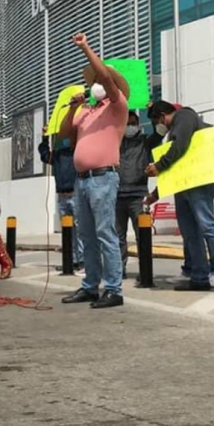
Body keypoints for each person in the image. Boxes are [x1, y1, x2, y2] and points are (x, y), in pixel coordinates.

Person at [145, 101, 214, 295]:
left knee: (207, 225)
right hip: (185, 185)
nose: (159, 126)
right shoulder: (175, 130)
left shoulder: (184, 116)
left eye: (157, 121)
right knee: (190, 231)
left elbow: (181, 146)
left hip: (198, 183)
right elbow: (176, 169)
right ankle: (199, 276)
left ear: (163, 115)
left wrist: (159, 165)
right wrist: (155, 195)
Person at [59, 33, 129, 309]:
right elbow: (65, 133)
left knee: (105, 233)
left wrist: (86, 48)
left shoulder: (117, 105)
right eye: (95, 82)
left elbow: (106, 79)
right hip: (82, 180)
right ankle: (90, 286)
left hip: (103, 178)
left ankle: (113, 289)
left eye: (102, 81)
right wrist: (74, 106)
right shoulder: (86, 112)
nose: (98, 84)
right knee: (87, 235)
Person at [38, 126, 84, 272]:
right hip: (62, 196)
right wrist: (45, 137)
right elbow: (44, 155)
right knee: (68, 231)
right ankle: (70, 260)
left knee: (79, 229)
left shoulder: (77, 153)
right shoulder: (57, 155)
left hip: (75, 195)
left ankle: (81, 260)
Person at [116, 111, 150, 279]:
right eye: (126, 123)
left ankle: (145, 271)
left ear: (138, 125)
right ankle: (119, 270)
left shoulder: (145, 142)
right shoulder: (114, 142)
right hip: (117, 195)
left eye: (133, 123)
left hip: (138, 195)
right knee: (118, 237)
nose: (130, 126)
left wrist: (151, 111)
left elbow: (160, 134)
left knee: (142, 235)